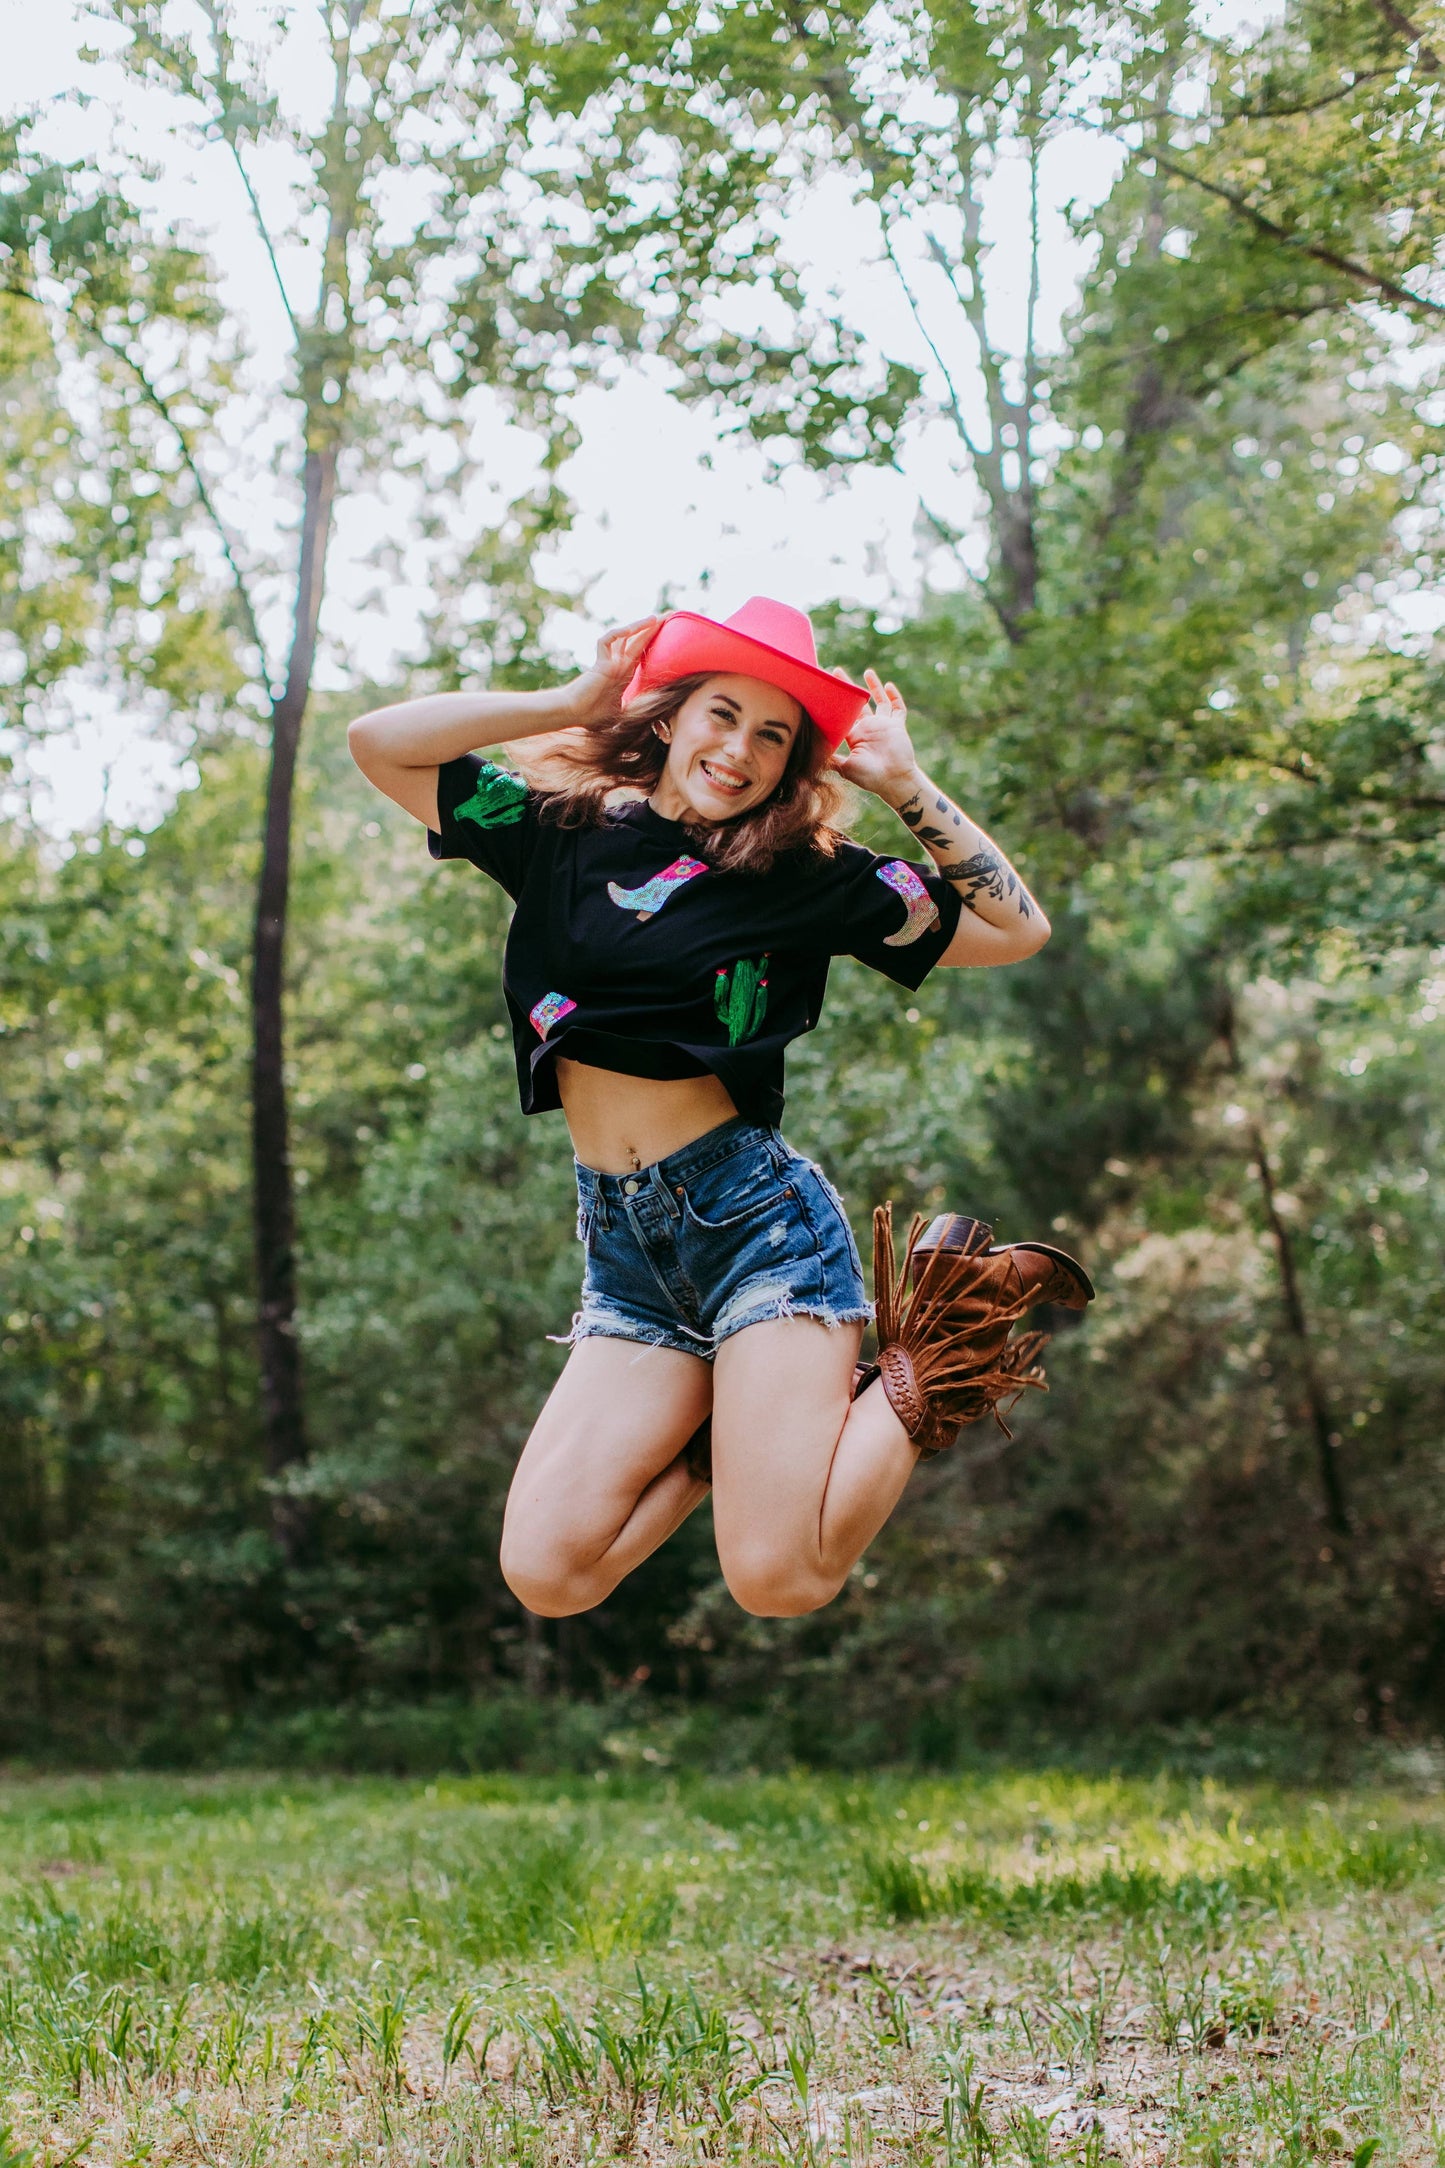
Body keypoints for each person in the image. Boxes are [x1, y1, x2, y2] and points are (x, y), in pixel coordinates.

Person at [348, 598, 1092, 1621]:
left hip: (756, 1230)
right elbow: (376, 743)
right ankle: (724, 1431)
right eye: (720, 713)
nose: (737, 749)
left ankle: (940, 1338)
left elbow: (1014, 927)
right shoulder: (557, 831)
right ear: (669, 715)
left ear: (793, 763)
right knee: (551, 1571)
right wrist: (568, 699)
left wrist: (903, 781)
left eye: (772, 734)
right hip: (625, 1249)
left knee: (779, 1579)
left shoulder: (805, 878)